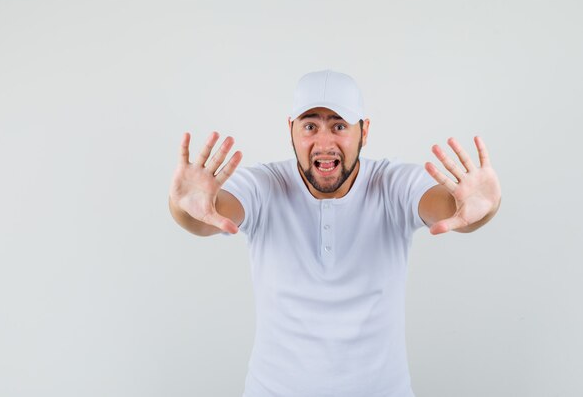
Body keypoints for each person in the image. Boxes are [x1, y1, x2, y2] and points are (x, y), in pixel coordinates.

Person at [169, 70, 501, 397]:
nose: (324, 143)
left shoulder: (391, 183)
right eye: (310, 126)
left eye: (339, 126)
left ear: (364, 131)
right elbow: (208, 214)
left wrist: (479, 207)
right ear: (291, 131)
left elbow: (447, 207)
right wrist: (183, 206)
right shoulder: (265, 185)